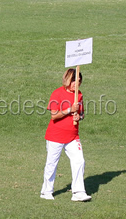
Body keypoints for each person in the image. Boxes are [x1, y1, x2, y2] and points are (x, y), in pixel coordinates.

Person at [40, 69, 92, 202]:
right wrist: (69, 110)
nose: (77, 84)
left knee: (79, 161)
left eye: (79, 81)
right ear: (68, 80)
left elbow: (82, 114)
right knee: (52, 164)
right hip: (55, 136)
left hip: (73, 136)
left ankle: (78, 192)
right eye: (74, 81)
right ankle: (46, 191)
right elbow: (54, 116)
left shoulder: (79, 95)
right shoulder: (57, 94)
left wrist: (78, 116)